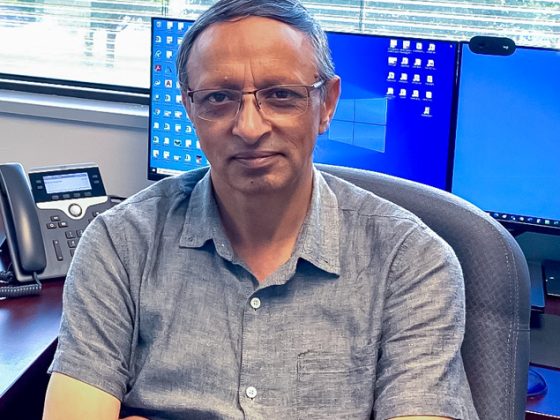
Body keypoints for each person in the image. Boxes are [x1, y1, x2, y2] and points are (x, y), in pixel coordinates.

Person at [43, 0, 479, 418]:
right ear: (190, 109)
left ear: (326, 104)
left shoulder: (411, 260)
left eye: (281, 95)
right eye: (218, 98)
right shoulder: (120, 244)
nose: (249, 127)